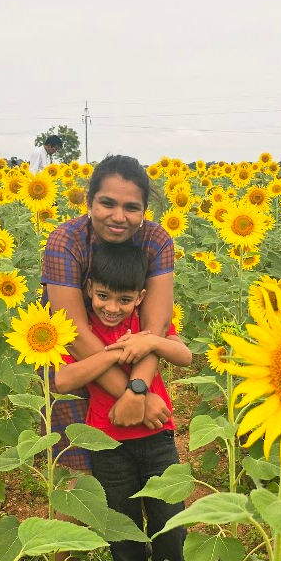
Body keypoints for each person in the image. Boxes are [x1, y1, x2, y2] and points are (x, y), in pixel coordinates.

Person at [55, 242, 193, 561]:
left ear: (141, 298)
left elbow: (184, 354)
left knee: (171, 531)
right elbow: (63, 380)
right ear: (88, 290)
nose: (111, 307)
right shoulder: (82, 335)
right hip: (108, 447)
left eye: (124, 299)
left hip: (158, 441)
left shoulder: (146, 328)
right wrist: (115, 352)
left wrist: (148, 342)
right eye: (102, 297)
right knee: (125, 538)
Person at [43, 153, 176, 475]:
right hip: (76, 361)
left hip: (135, 361)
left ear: (144, 210)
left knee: (139, 463)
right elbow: (73, 334)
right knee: (80, 473)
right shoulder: (67, 241)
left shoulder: (156, 241)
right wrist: (135, 397)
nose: (119, 217)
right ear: (89, 203)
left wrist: (137, 389)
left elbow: (154, 329)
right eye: (107, 203)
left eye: (131, 207)